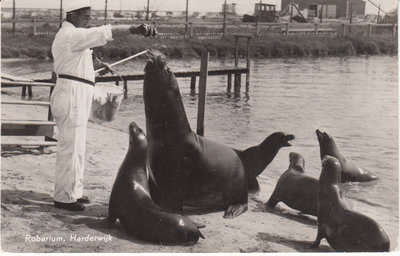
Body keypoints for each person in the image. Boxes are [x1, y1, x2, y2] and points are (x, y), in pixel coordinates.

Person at [51, 0, 157, 211]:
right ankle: (63, 197)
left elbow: (84, 56)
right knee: (70, 148)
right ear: (72, 16)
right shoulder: (70, 35)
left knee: (77, 146)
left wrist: (98, 66)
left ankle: (74, 192)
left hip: (76, 91)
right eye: (86, 16)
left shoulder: (73, 36)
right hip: (71, 94)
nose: (90, 20)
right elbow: (103, 33)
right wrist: (135, 28)